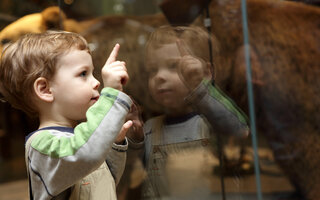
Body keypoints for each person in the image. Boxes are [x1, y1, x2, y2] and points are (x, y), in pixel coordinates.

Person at [0, 30, 133, 199]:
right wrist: (111, 95)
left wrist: (114, 144)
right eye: (83, 74)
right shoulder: (42, 146)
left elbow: (106, 182)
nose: (97, 82)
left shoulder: (82, 140)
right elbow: (87, 154)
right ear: (45, 89)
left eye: (92, 72)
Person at [124, 25, 250, 199]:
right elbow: (135, 171)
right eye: (153, 70)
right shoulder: (151, 128)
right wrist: (135, 138)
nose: (160, 76)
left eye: (174, 66)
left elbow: (239, 129)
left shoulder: (212, 122)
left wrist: (199, 87)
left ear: (206, 72)